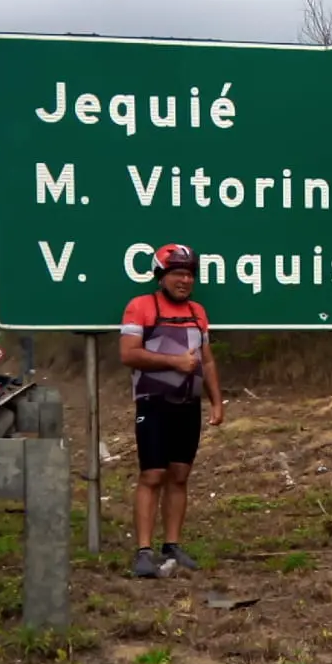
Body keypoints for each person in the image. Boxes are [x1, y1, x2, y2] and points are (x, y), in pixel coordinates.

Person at [119, 243, 224, 578]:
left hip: (188, 406)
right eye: (178, 273)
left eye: (190, 274)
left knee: (180, 476)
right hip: (153, 403)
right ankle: (144, 551)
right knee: (152, 475)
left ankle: (172, 546)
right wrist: (175, 361)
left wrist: (217, 400)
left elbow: (206, 360)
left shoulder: (198, 312)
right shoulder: (141, 307)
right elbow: (129, 354)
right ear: (161, 276)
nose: (185, 280)